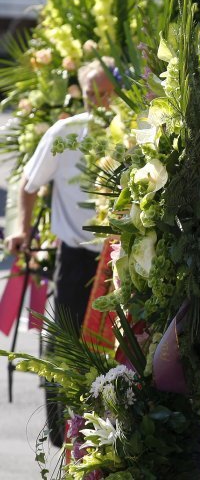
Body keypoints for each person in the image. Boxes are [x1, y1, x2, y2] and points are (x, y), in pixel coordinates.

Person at [6, 59, 115, 342]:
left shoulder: (131, 133)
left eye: (105, 94)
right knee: (67, 342)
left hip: (120, 259)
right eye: (90, 94)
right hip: (76, 254)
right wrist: (21, 227)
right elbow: (29, 185)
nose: (97, 102)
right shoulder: (64, 132)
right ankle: (55, 388)